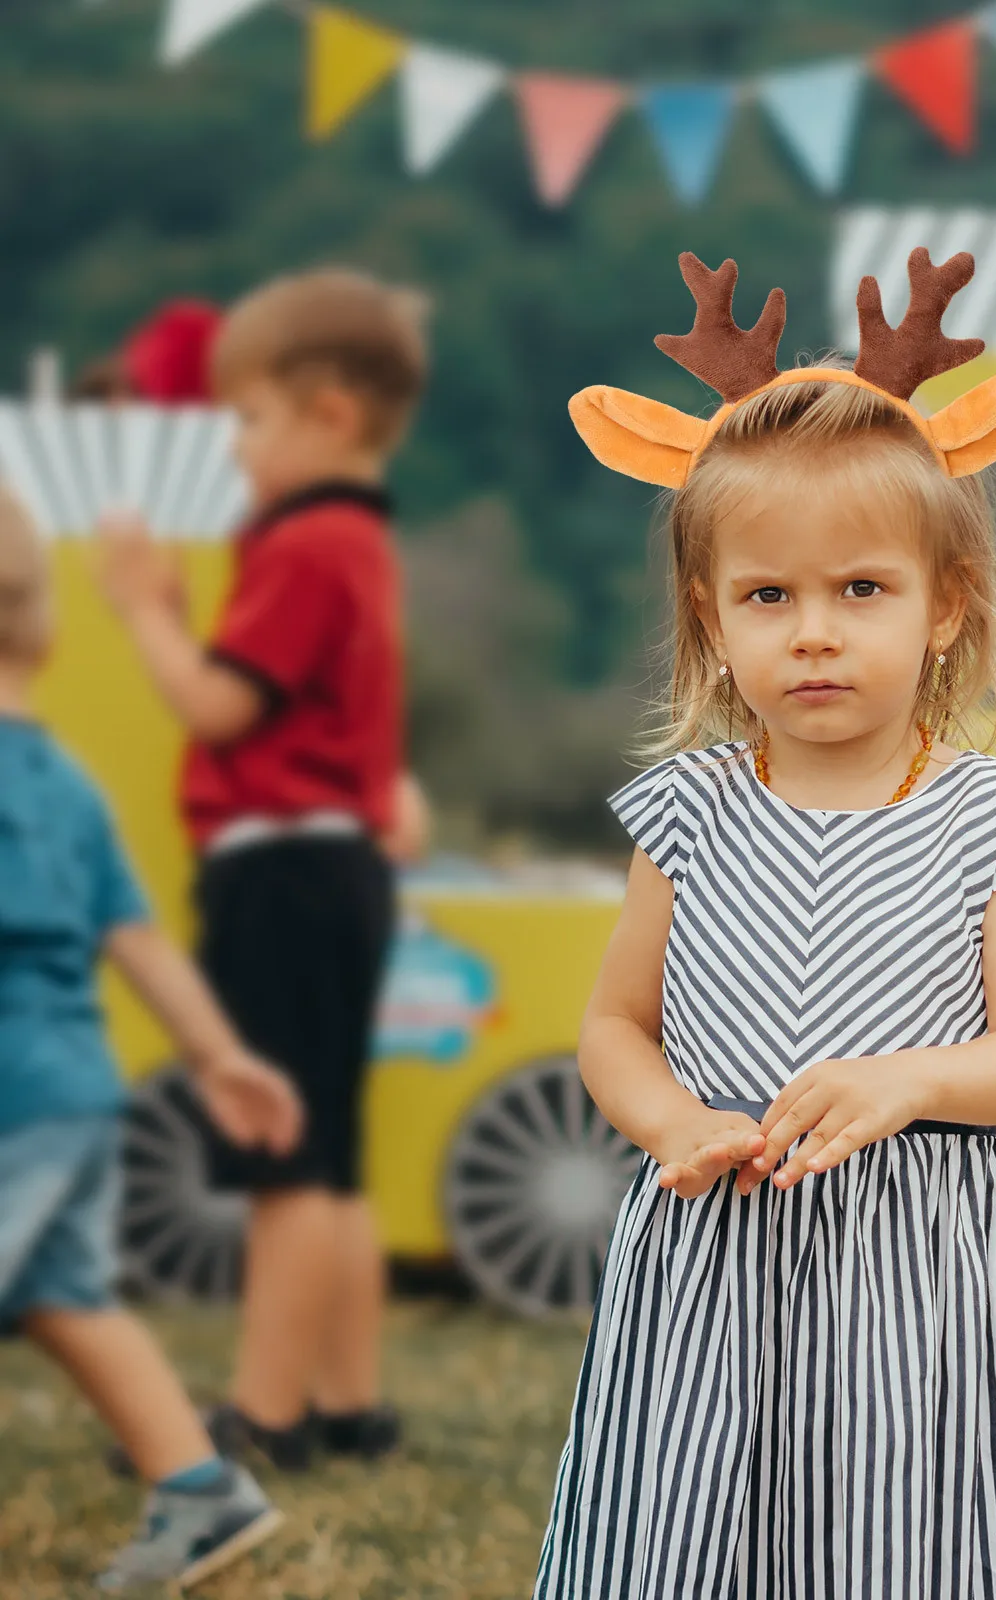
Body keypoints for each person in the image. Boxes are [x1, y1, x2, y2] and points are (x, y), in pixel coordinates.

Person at [536, 249, 996, 1598]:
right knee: (685, 1529)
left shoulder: (991, 819)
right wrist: (670, 1122)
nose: (816, 634)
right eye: (769, 597)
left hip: (912, 1268)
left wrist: (911, 1081)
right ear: (711, 619)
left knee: (896, 1540)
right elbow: (618, 1024)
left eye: (862, 590)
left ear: (944, 604)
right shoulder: (690, 813)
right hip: (713, 1257)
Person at [96, 268, 430, 1472]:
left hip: (278, 874)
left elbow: (218, 706)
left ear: (327, 413)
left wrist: (143, 607)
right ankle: (348, 1402)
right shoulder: (365, 543)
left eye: (246, 418)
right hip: (342, 870)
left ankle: (263, 1417)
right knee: (332, 1159)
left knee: (281, 1158)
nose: (234, 449)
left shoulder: (304, 545)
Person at [0, 487, 297, 1590]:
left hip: (14, 1094)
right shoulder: (67, 785)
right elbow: (137, 936)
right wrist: (219, 1054)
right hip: (72, 1087)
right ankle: (198, 1489)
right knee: (63, 1293)